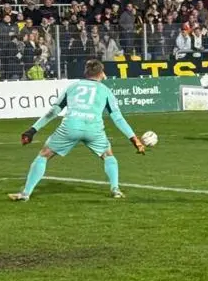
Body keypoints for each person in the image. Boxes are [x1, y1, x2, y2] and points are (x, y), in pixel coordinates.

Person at [10, 59, 143, 202]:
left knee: (43, 155)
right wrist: (134, 139)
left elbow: (53, 112)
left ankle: (26, 193)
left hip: (70, 127)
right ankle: (115, 189)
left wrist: (32, 130)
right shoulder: (105, 91)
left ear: (86, 72)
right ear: (101, 73)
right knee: (108, 155)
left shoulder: (73, 87)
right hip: (93, 129)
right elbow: (118, 118)